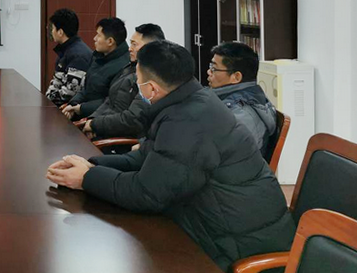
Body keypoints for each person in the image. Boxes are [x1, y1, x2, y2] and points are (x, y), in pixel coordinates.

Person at [46, 40, 295, 272]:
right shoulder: (189, 101)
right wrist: (91, 165)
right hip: (210, 222)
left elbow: (147, 193)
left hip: (234, 246)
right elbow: (145, 157)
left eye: (138, 81)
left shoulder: (188, 121)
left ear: (152, 89)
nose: (137, 87)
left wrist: (87, 178)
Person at [81, 23, 164, 140]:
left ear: (150, 48)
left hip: (121, 139)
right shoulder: (129, 68)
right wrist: (93, 120)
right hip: (106, 129)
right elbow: (109, 101)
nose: (130, 48)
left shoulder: (151, 79)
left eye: (134, 44)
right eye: (130, 43)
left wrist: (96, 125)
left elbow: (132, 120)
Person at [207, 41, 276, 157]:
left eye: (214, 68)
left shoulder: (242, 114)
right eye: (210, 67)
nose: (209, 72)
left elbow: (225, 156)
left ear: (236, 77)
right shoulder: (230, 99)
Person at [61, 17, 129, 120]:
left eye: (98, 35)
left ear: (110, 41)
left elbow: (111, 101)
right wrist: (73, 104)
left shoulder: (125, 66)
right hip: (84, 113)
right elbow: (87, 89)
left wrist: (81, 108)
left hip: (102, 119)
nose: (94, 38)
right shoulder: (98, 56)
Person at [44, 9, 94, 105]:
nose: (51, 32)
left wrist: (48, 101)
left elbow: (69, 93)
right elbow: (56, 83)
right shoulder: (65, 50)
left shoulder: (78, 56)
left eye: (53, 28)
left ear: (60, 32)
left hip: (71, 108)